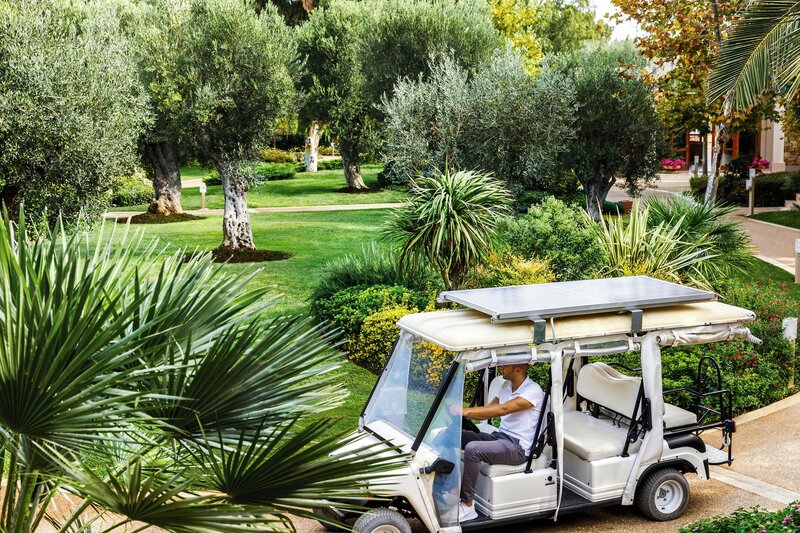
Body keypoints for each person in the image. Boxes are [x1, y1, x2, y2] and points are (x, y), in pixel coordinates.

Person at [450, 363, 544, 522]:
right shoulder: (506, 386)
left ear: (518, 369)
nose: (501, 368)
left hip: (518, 448)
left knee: (473, 449)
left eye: (505, 365)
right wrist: (463, 414)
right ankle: (449, 488)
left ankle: (467, 505)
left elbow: (503, 409)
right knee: (453, 436)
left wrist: (465, 411)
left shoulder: (533, 391)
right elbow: (489, 411)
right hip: (500, 437)